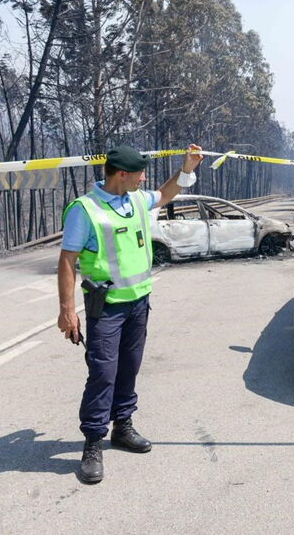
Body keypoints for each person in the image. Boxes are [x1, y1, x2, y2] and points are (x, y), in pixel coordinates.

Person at [57, 144, 204, 483]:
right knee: (102, 374)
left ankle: (122, 426)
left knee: (129, 367)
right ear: (122, 174)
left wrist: (187, 169)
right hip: (106, 308)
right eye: (139, 173)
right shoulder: (85, 210)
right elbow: (67, 260)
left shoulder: (135, 199)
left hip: (139, 303)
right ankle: (93, 442)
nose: (144, 178)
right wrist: (67, 311)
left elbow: (165, 194)